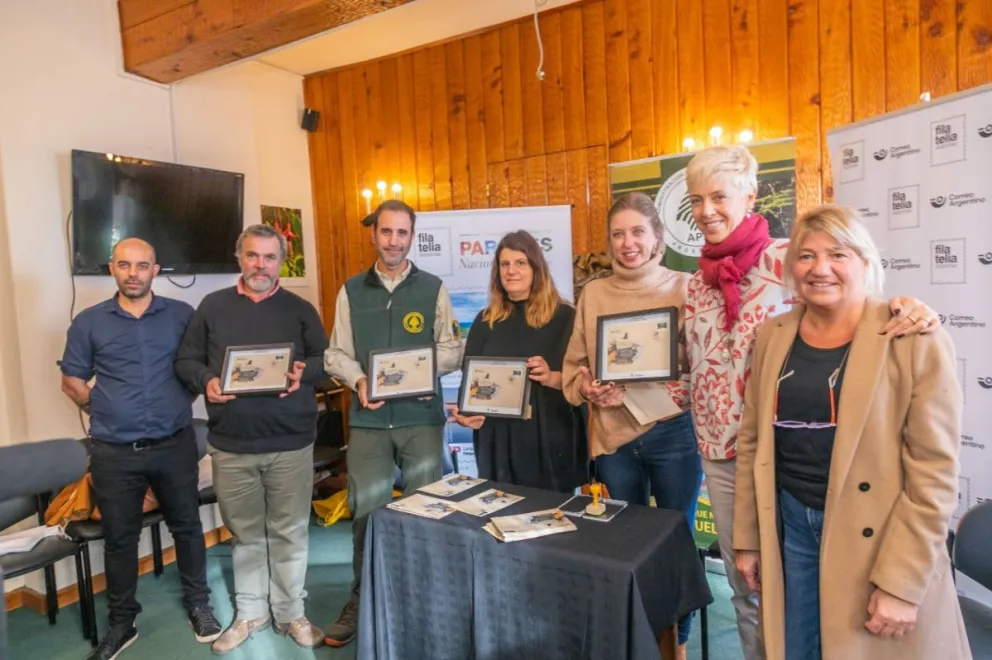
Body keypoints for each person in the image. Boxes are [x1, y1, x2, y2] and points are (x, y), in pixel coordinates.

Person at [683, 145, 940, 660]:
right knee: (748, 585)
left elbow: (857, 304)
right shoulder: (694, 284)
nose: (707, 210)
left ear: (750, 195)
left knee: (821, 589)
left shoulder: (793, 257)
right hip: (721, 454)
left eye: (718, 196)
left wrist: (909, 306)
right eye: (696, 200)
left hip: (789, 454)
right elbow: (693, 368)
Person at [732, 205, 969, 659]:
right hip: (791, 527)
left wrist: (902, 582)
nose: (820, 269)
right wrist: (748, 538)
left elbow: (934, 474)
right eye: (806, 256)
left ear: (865, 262)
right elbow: (753, 441)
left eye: (838, 254)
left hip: (879, 536)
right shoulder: (773, 335)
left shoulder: (911, 336)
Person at [58, 238, 222, 660]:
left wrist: (178, 403)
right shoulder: (89, 322)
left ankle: (199, 606)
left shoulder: (182, 316)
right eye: (125, 265)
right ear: (112, 269)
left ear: (156, 269)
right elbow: (72, 381)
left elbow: (196, 371)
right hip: (114, 451)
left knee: (187, 527)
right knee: (119, 540)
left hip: (174, 444)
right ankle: (122, 623)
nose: (134, 273)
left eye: (142, 265)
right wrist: (105, 406)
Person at [175, 224, 328, 654]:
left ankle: (290, 612)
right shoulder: (212, 306)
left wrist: (304, 372)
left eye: (270, 257)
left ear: (281, 262)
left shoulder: (300, 309)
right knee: (245, 536)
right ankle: (250, 613)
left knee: (290, 533)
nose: (261, 265)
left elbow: (325, 359)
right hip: (231, 444)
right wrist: (205, 380)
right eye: (252, 256)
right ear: (239, 258)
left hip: (291, 442)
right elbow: (186, 360)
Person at [562, 192, 700, 660]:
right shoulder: (594, 294)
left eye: (637, 232)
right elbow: (574, 368)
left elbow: (704, 370)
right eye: (618, 234)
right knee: (626, 547)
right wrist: (587, 389)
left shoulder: (687, 287)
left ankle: (676, 646)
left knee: (677, 548)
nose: (628, 243)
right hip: (613, 439)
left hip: (673, 435)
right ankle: (640, 643)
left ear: (657, 238)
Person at [323, 200, 464, 647]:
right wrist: (360, 378)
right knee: (367, 515)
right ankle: (362, 598)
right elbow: (335, 354)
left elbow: (453, 347)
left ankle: (423, 600)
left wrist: (425, 372)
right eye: (386, 232)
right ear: (374, 235)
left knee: (424, 514)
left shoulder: (433, 288)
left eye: (402, 233)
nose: (393, 241)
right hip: (369, 421)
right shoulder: (351, 290)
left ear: (412, 236)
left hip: (422, 418)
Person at [451, 230, 587, 492]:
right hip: (498, 441)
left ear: (536, 267)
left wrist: (550, 376)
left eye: (520, 263)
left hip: (548, 439)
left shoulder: (565, 317)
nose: (511, 271)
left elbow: (581, 381)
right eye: (505, 264)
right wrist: (466, 412)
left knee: (553, 520)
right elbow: (470, 383)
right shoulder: (485, 320)